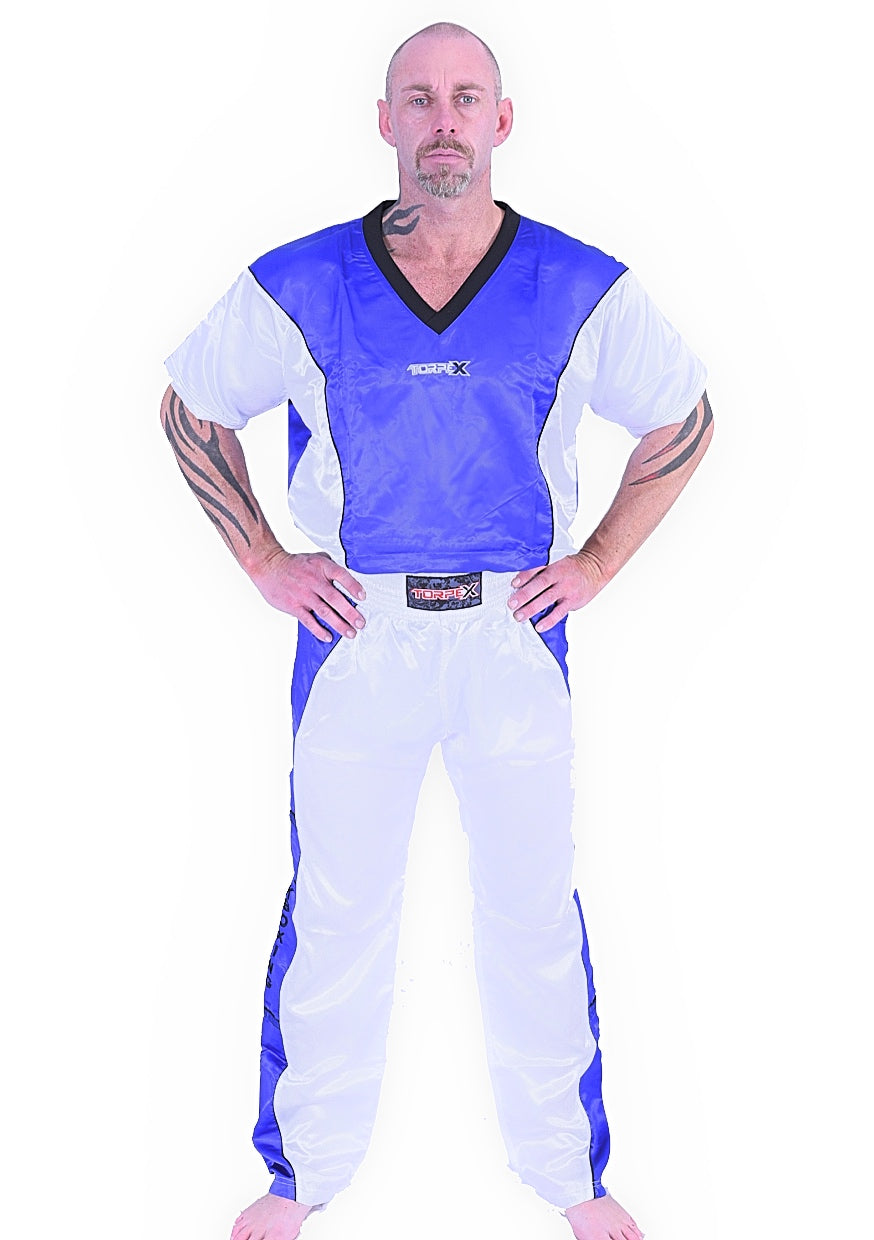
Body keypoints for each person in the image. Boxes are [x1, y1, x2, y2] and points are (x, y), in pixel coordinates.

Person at [161, 22, 712, 1240]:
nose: (444, 118)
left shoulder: (577, 285)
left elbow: (682, 417)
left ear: (501, 121)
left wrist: (599, 561)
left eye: (466, 97)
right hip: (358, 633)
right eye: (419, 98)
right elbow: (191, 408)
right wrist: (262, 557)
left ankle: (571, 1178)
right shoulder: (302, 283)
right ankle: (299, 1178)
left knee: (531, 909)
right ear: (386, 121)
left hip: (513, 633)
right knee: (338, 909)